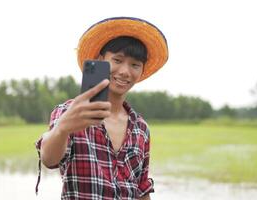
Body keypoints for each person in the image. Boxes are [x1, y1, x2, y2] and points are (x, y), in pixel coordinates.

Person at [35, 17, 168, 200]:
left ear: (141, 70)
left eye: (135, 65)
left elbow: (141, 188)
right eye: (117, 60)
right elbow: (49, 160)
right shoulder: (71, 112)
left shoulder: (141, 128)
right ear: (100, 60)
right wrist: (63, 128)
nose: (125, 71)